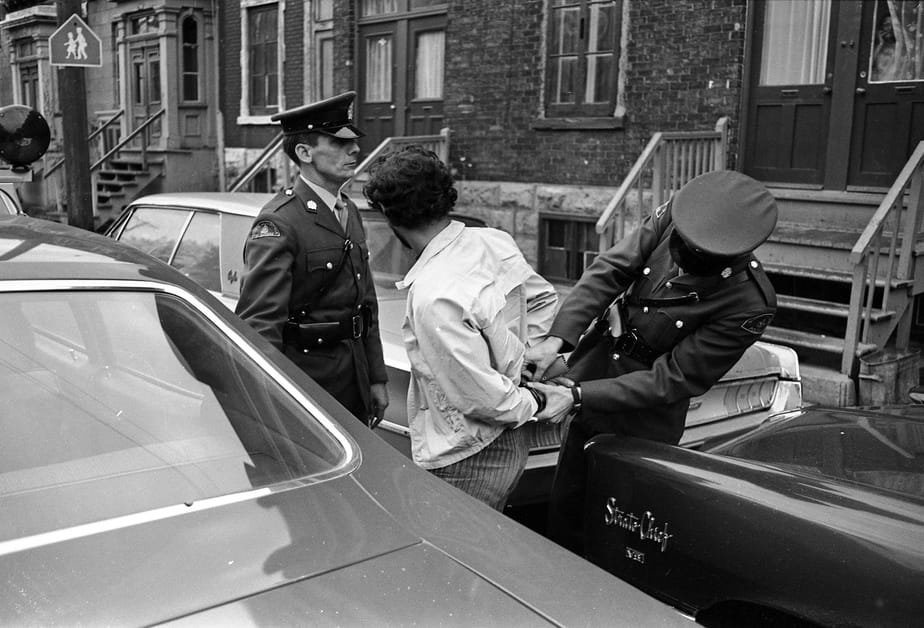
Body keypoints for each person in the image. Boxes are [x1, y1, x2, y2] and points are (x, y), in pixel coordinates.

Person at [525, 169, 779, 554]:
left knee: (617, 530)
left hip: (642, 421)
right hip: (594, 375)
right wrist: (556, 341)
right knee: (565, 511)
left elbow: (675, 377)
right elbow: (610, 269)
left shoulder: (749, 303)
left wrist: (577, 396)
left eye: (696, 259)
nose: (679, 265)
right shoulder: (675, 217)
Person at [363, 146, 564, 510]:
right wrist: (524, 361)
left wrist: (527, 394)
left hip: (468, 454)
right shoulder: (493, 241)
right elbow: (542, 301)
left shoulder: (434, 295)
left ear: (389, 217)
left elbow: (482, 398)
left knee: (454, 557)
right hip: (507, 439)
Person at [236, 91, 388, 427]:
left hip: (355, 378)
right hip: (308, 385)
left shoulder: (347, 210)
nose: (355, 150)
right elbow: (259, 325)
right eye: (337, 143)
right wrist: (275, 403)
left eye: (352, 142)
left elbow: (365, 304)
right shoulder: (280, 222)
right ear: (304, 152)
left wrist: (376, 377)